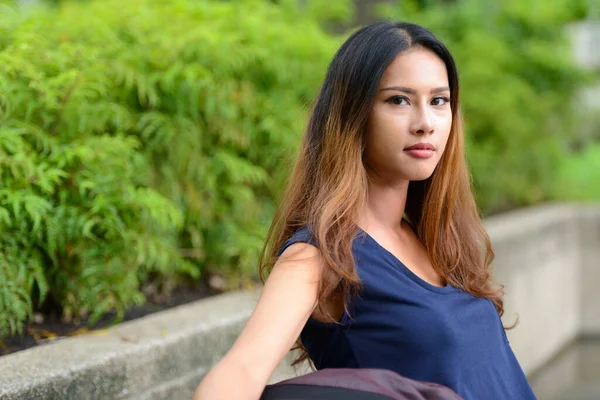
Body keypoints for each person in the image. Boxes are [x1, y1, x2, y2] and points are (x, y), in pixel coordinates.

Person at [193, 21, 537, 400]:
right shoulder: (321, 255)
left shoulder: (440, 242)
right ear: (352, 114)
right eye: (399, 100)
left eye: (439, 101)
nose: (425, 123)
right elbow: (241, 369)